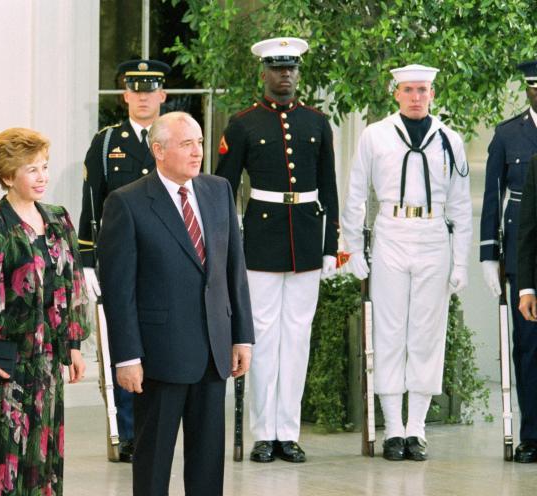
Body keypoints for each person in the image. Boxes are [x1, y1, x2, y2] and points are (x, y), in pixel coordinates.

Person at [98, 111, 254, 496]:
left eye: (199, 142)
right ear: (159, 150)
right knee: (153, 456)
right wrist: (126, 356)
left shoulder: (218, 191)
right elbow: (118, 288)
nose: (197, 151)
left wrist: (241, 334)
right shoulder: (126, 203)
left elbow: (234, 270)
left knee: (208, 456)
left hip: (213, 346)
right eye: (186, 143)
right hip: (159, 354)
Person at [0, 128, 90, 496]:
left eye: (44, 165)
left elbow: (72, 282)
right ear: (7, 174)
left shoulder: (58, 217)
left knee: (40, 446)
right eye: (31, 169)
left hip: (47, 356)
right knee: (1, 446)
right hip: (4, 354)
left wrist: (74, 344)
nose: (42, 176)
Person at [215, 37, 339, 464]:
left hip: (305, 237)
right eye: (276, 68)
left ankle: (289, 431)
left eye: (291, 68)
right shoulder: (243, 123)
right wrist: (227, 245)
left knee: (298, 338)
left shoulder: (317, 123)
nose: (284, 74)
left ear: (298, 72)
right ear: (263, 73)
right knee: (263, 337)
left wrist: (330, 243)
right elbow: (224, 192)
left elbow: (329, 187)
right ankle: (263, 432)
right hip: (262, 240)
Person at [341, 64, 472, 462]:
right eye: (409, 90)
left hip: (434, 234)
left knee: (427, 333)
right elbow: (356, 193)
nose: (416, 97)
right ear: (395, 93)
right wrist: (353, 249)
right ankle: (392, 429)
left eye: (424, 89)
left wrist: (461, 262)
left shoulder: (449, 139)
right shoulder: (375, 136)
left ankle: (416, 428)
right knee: (390, 329)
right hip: (392, 231)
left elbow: (462, 206)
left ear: (433, 93)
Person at [79, 58, 170, 463]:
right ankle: (129, 433)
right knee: (123, 346)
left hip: (165, 259)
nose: (143, 97)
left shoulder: (172, 138)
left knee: (162, 345)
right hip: (120, 258)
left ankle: (157, 429)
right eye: (136, 90)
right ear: (126, 96)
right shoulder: (106, 142)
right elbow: (91, 202)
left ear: (162, 96)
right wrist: (85, 259)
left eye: (151, 90)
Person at [483, 59, 537, 463]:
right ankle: (532, 434)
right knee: (528, 349)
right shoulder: (507, 134)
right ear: (527, 90)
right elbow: (491, 199)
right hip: (524, 253)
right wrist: (489, 255)